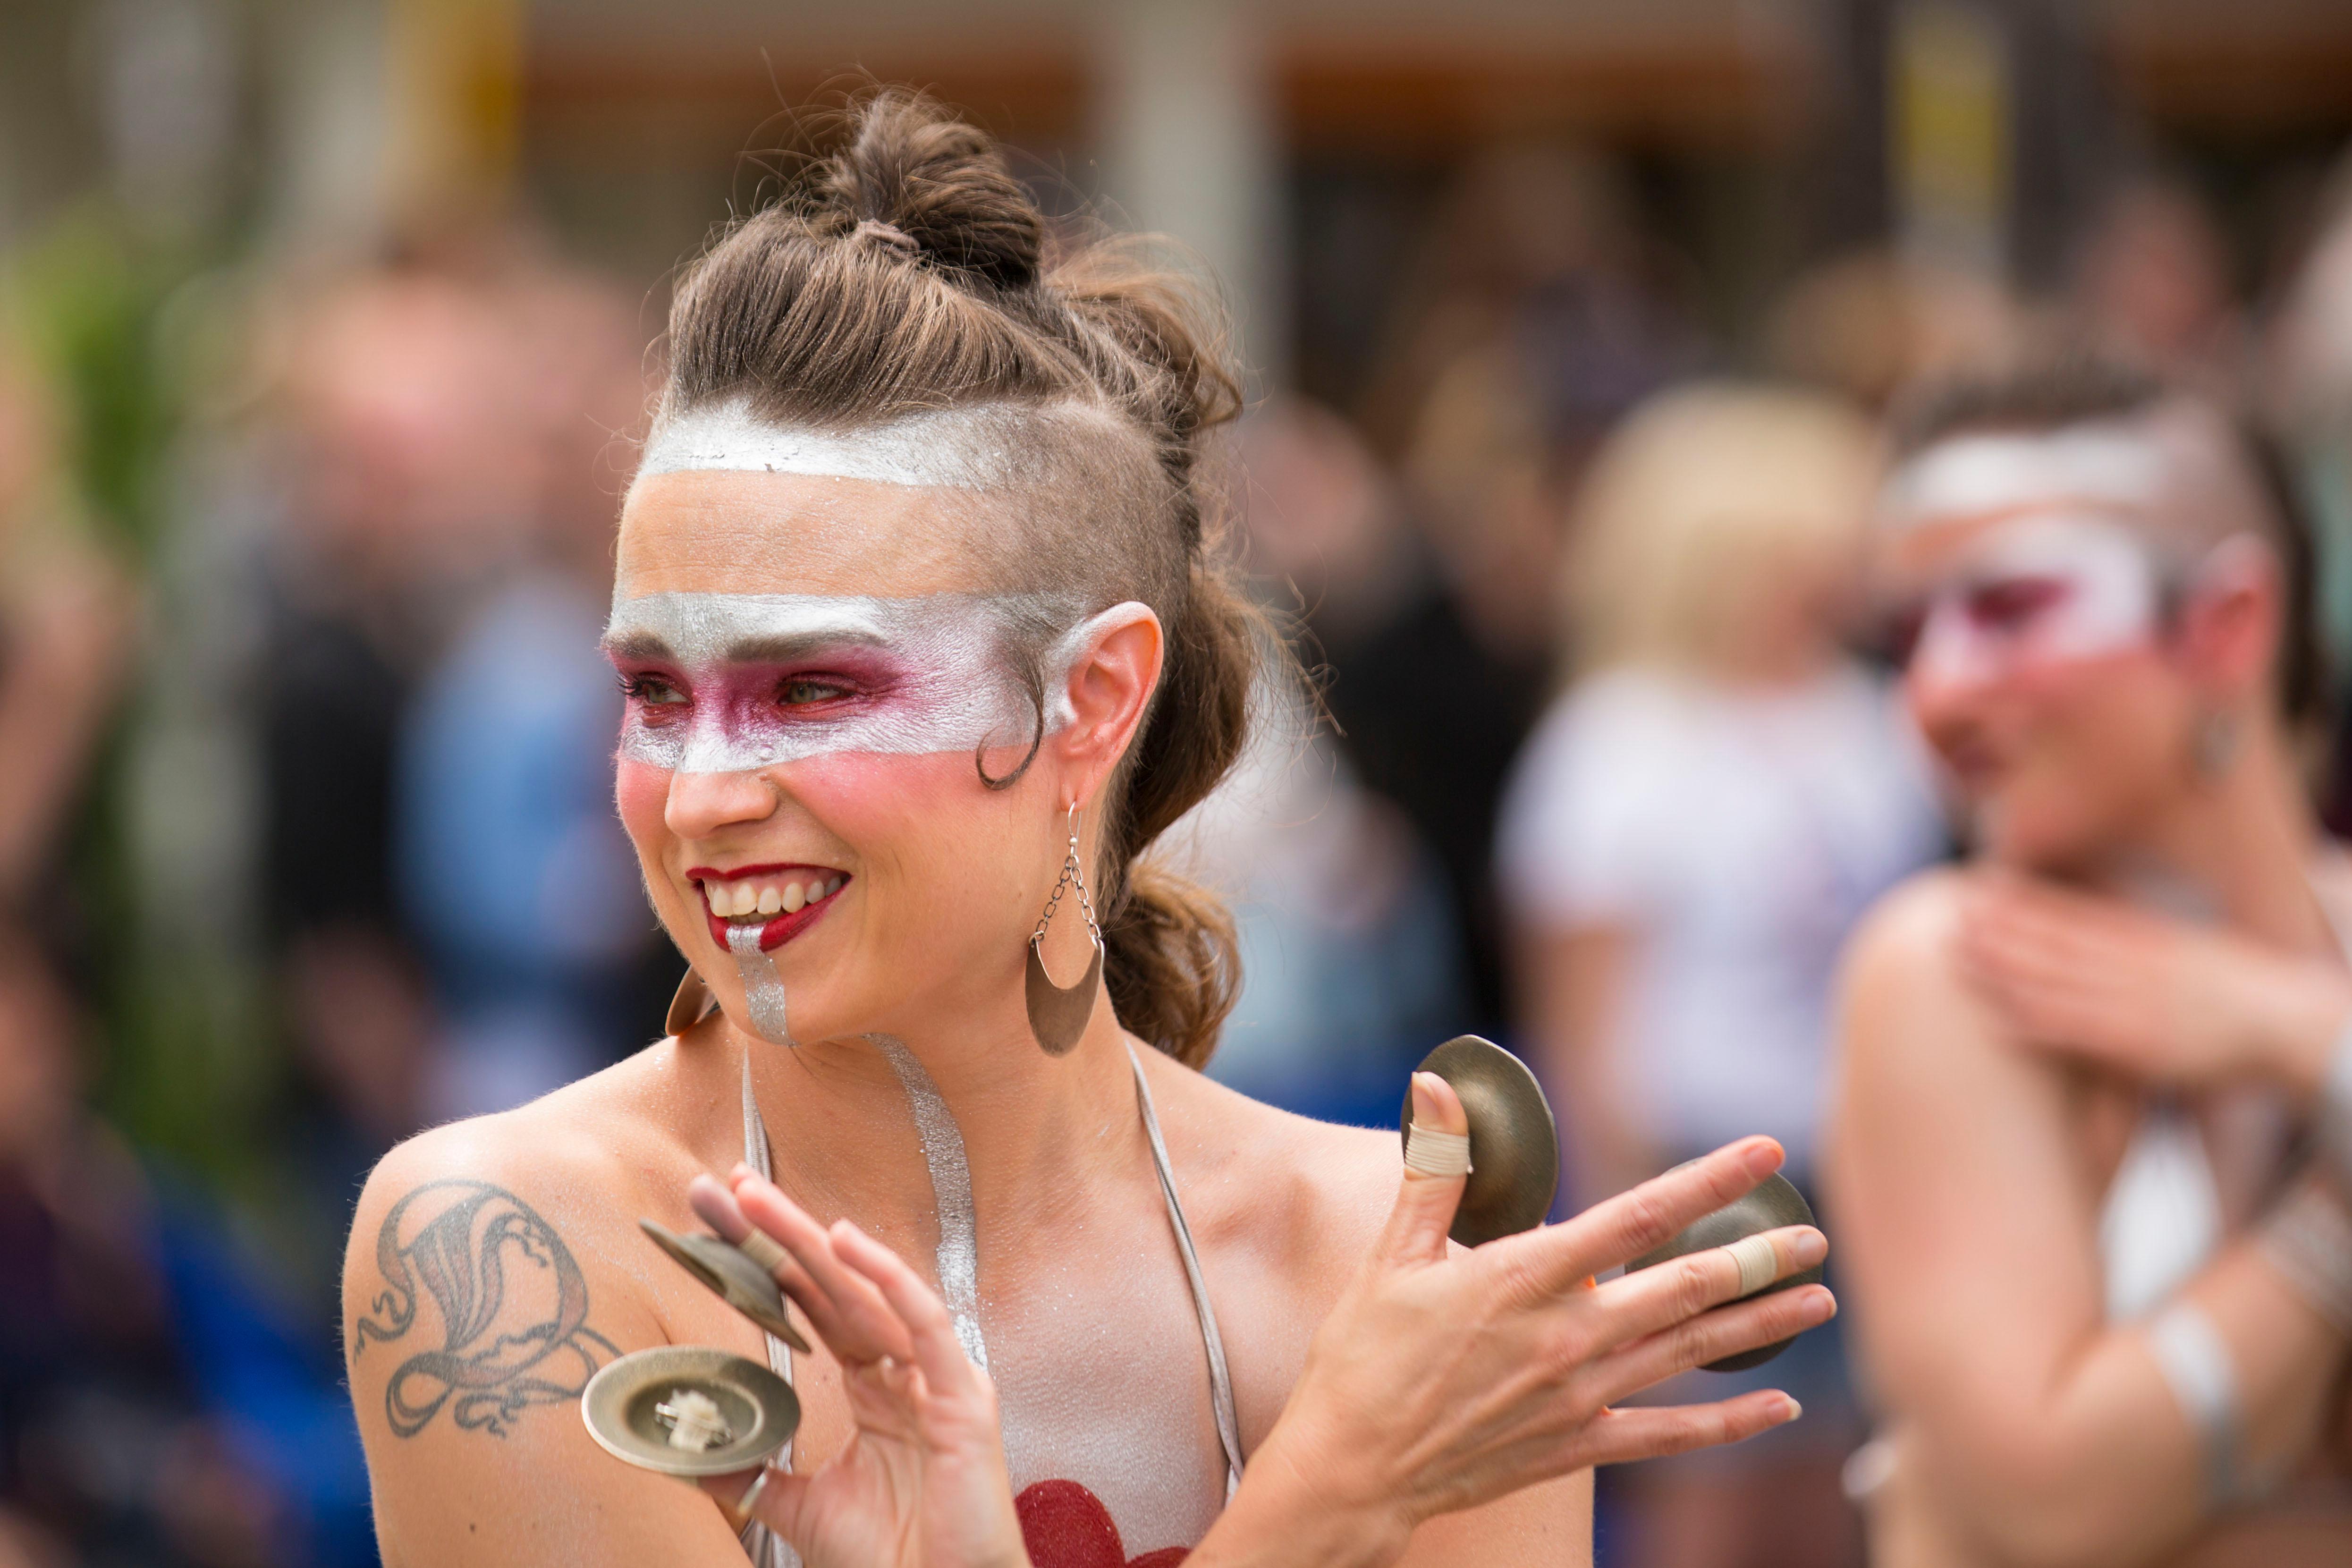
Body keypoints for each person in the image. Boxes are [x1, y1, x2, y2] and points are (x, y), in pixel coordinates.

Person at [344, 92, 1835, 1568]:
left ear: (1090, 700)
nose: (700, 789)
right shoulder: (506, 1249)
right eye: (654, 690)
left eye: (810, 685)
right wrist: (1335, 1488)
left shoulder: (1387, 1262)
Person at [1828, 353, 2352, 1567]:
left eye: (2011, 610)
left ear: (2228, 623)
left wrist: (2303, 1036)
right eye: (1906, 634)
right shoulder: (1959, 969)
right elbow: (2053, 1499)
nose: (1937, 691)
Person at [1498, 384, 1945, 1568]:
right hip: (1701, 1178)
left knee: (1856, 1496)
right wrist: (1610, 1226)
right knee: (1713, 1492)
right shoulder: (1622, 739)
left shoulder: (1872, 722)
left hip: (1868, 1160)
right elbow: (1579, 1020)